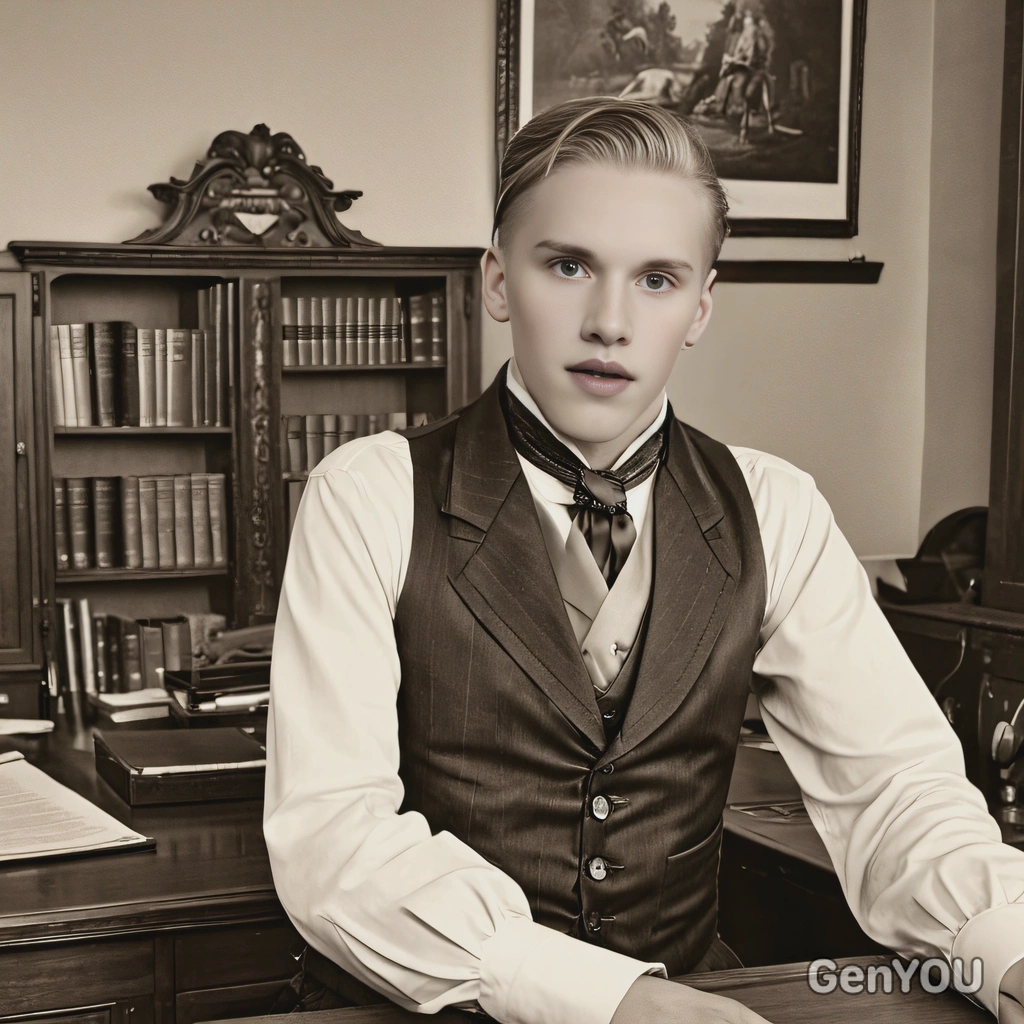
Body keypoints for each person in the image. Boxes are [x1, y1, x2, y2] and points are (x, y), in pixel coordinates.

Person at [264, 96, 1024, 1023]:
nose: (610, 322)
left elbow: (896, 786)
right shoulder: (371, 493)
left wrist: (1004, 946)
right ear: (499, 283)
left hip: (693, 996)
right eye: (570, 266)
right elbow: (331, 837)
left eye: (657, 279)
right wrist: (607, 1002)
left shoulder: (772, 508)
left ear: (701, 307)